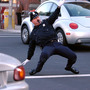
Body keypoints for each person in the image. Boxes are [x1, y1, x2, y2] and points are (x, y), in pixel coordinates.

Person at [22, 0, 79, 75]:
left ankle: (68, 67)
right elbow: (31, 47)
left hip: (56, 44)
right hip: (47, 46)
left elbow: (54, 15)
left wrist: (59, 7)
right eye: (35, 18)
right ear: (32, 21)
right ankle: (37, 69)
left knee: (73, 56)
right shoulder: (33, 33)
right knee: (44, 55)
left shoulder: (47, 22)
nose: (38, 18)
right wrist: (28, 58)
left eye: (38, 16)